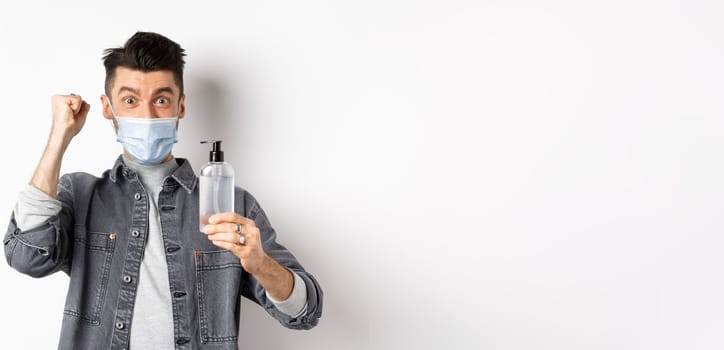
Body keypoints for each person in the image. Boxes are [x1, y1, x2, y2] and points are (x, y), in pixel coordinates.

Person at [3, 31, 322, 349]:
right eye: (130, 101)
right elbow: (27, 256)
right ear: (106, 107)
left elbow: (305, 312)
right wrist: (60, 136)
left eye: (161, 100)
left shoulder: (231, 204)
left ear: (180, 107)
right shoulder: (81, 194)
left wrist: (262, 264)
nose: (147, 115)